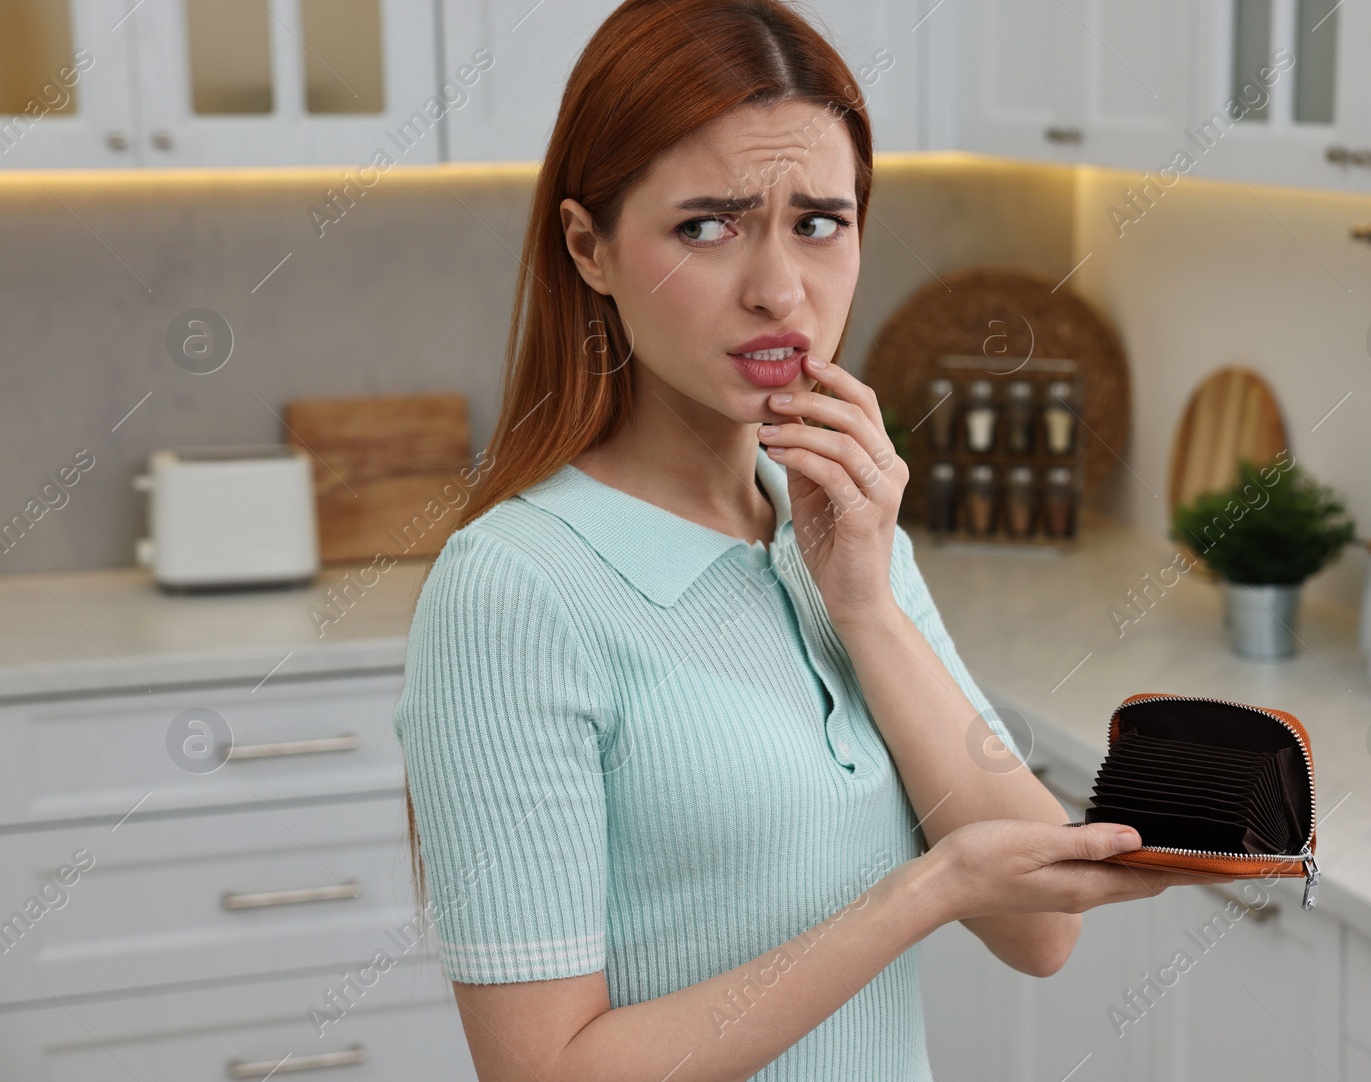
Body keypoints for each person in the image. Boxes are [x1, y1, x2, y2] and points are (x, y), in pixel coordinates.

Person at [393, 2, 1224, 1078]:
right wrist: (921, 892)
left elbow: (1038, 927)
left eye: (818, 221)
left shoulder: (843, 533)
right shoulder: (513, 590)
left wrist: (867, 601)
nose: (779, 290)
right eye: (707, 225)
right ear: (588, 247)